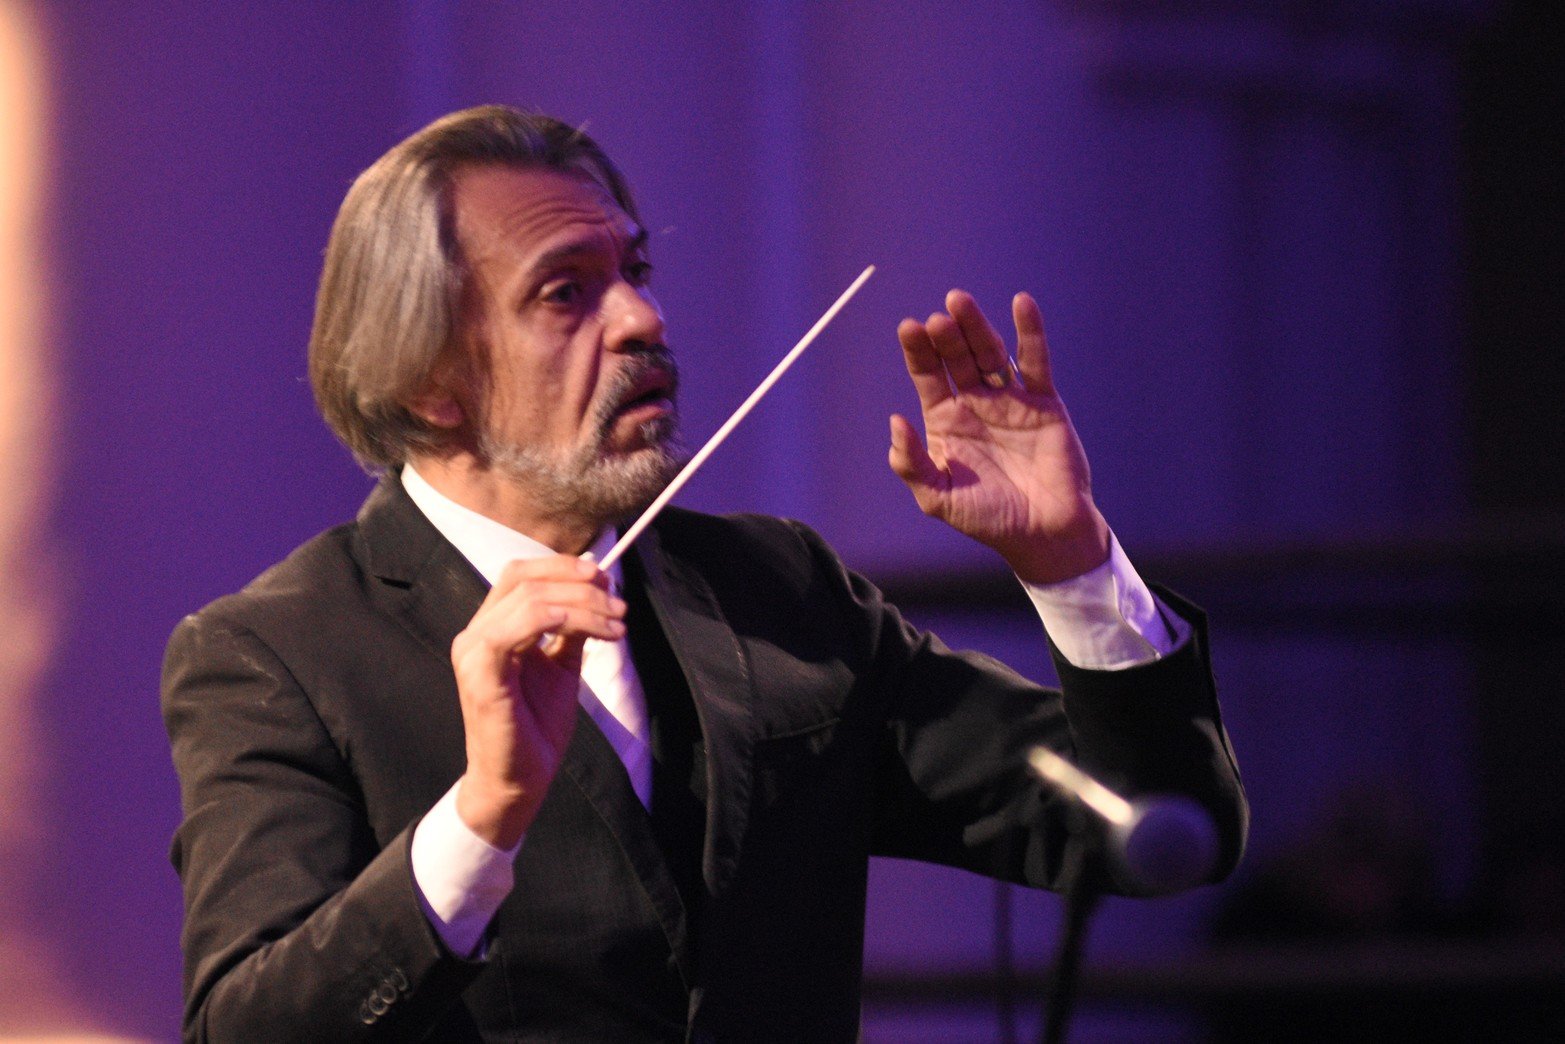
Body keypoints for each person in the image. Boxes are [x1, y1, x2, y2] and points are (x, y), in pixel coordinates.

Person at [162, 105, 1246, 1042]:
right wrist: (482, 816)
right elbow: (245, 1027)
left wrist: (1069, 563)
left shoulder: (775, 590)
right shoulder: (277, 654)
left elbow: (1156, 827)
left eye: (633, 272)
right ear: (429, 378)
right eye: (565, 292)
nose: (642, 318)